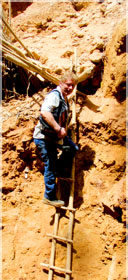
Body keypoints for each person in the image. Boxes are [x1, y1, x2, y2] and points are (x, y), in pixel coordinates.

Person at [33, 72, 78, 207]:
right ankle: (49, 197)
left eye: (73, 86)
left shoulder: (63, 98)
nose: (70, 88)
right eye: (68, 84)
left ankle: (60, 169)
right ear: (60, 83)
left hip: (54, 137)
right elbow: (45, 113)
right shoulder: (54, 96)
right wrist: (58, 129)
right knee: (50, 165)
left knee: (72, 148)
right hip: (45, 138)